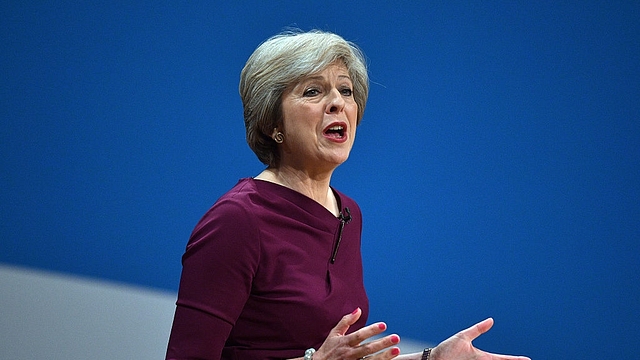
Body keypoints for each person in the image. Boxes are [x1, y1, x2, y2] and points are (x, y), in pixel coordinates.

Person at [166, 30, 530, 360]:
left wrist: (431, 359)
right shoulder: (238, 220)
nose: (338, 103)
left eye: (346, 90)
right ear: (272, 123)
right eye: (313, 91)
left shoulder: (346, 214)